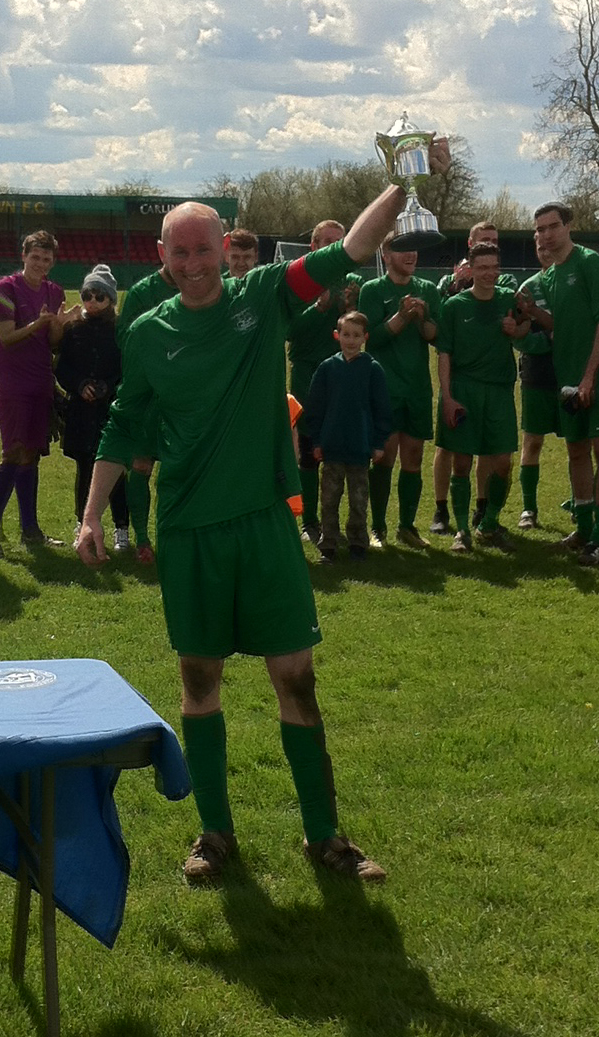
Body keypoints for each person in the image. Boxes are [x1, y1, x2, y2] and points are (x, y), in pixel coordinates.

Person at [75, 165, 446, 883]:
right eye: (177, 254)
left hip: (264, 526)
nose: (192, 266)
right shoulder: (147, 333)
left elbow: (352, 249)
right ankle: (214, 834)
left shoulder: (265, 297)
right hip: (188, 528)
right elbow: (123, 423)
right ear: (161, 257)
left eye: (203, 251)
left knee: (296, 680)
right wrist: (91, 515)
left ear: (226, 249)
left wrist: (404, 185)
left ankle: (324, 836)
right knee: (199, 676)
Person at [527, 201, 599, 567]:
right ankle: (583, 530)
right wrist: (532, 312)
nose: (545, 234)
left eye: (552, 226)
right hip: (567, 375)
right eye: (539, 229)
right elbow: (561, 326)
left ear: (568, 226)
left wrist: (590, 376)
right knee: (576, 451)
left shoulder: (589, 263)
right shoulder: (551, 274)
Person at [0, 230, 78, 556]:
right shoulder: (4, 289)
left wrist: (59, 326)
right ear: (23, 256)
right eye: (35, 256)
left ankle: (30, 530)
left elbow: (52, 343)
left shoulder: (54, 291)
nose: (40, 263)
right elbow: (6, 338)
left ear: (53, 261)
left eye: (46, 258)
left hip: (41, 381)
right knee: (13, 450)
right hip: (13, 383)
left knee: (33, 453)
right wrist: (39, 324)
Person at [435, 241, 528, 552]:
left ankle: (489, 522)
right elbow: (444, 354)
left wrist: (516, 328)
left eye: (494, 267)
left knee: (503, 462)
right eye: (483, 267)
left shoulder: (508, 299)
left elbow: (529, 325)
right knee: (461, 463)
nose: (489, 273)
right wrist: (447, 396)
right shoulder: (454, 306)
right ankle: (462, 529)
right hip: (464, 389)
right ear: (470, 270)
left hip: (500, 390)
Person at [358, 233, 440, 548]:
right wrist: (401, 317)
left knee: (414, 458)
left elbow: (435, 336)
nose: (411, 255)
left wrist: (421, 320)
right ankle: (377, 528)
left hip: (418, 387)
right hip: (384, 388)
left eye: (414, 249)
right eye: (402, 249)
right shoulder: (373, 290)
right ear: (385, 253)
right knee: (383, 457)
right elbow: (372, 338)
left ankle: (407, 527)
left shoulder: (428, 290)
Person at [299, 310, 392, 561]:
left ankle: (358, 543)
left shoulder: (373, 370)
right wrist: (317, 441)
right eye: (346, 334)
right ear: (336, 335)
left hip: (360, 448)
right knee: (329, 499)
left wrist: (378, 442)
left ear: (365, 338)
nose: (350, 340)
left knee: (358, 500)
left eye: (356, 335)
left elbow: (382, 410)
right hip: (331, 447)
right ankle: (328, 542)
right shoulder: (327, 369)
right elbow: (315, 409)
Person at [288, 219, 354, 545]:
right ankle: (309, 521)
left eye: (337, 241)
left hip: (339, 377)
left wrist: (352, 308)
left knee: (337, 453)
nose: (331, 246)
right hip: (305, 376)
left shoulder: (350, 282)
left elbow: (357, 333)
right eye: (325, 241)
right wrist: (318, 309)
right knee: (307, 453)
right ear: (313, 246)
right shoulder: (298, 281)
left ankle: (333, 524)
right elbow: (289, 332)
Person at [55, 265, 129, 546]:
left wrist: (108, 386)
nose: (93, 302)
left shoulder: (120, 330)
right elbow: (62, 368)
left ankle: (121, 527)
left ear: (111, 299)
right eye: (88, 295)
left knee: (117, 470)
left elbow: (126, 369)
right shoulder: (73, 329)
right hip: (82, 413)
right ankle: (81, 524)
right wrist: (80, 384)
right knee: (85, 470)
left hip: (111, 410)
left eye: (100, 296)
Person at [115, 250, 181, 565]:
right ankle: (142, 539)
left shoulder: (201, 286)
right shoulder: (142, 293)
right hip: (149, 395)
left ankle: (176, 536)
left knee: (181, 467)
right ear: (163, 251)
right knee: (140, 465)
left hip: (188, 396)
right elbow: (125, 340)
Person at [514, 235, 559, 530]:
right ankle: (528, 509)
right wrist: (547, 341)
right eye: (540, 247)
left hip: (574, 372)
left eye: (549, 247)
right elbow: (519, 336)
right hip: (537, 372)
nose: (545, 252)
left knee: (579, 444)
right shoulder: (527, 289)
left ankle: (580, 504)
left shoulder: (575, 283)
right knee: (532, 441)